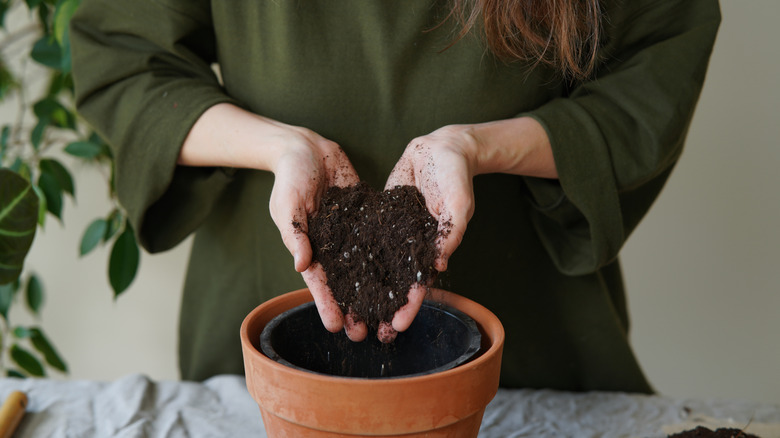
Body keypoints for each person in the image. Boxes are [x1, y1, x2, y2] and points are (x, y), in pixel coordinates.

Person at [69, 0, 720, 391]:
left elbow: (656, 63)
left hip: (528, 335)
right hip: (269, 315)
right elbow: (124, 56)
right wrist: (278, 148)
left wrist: (476, 147)